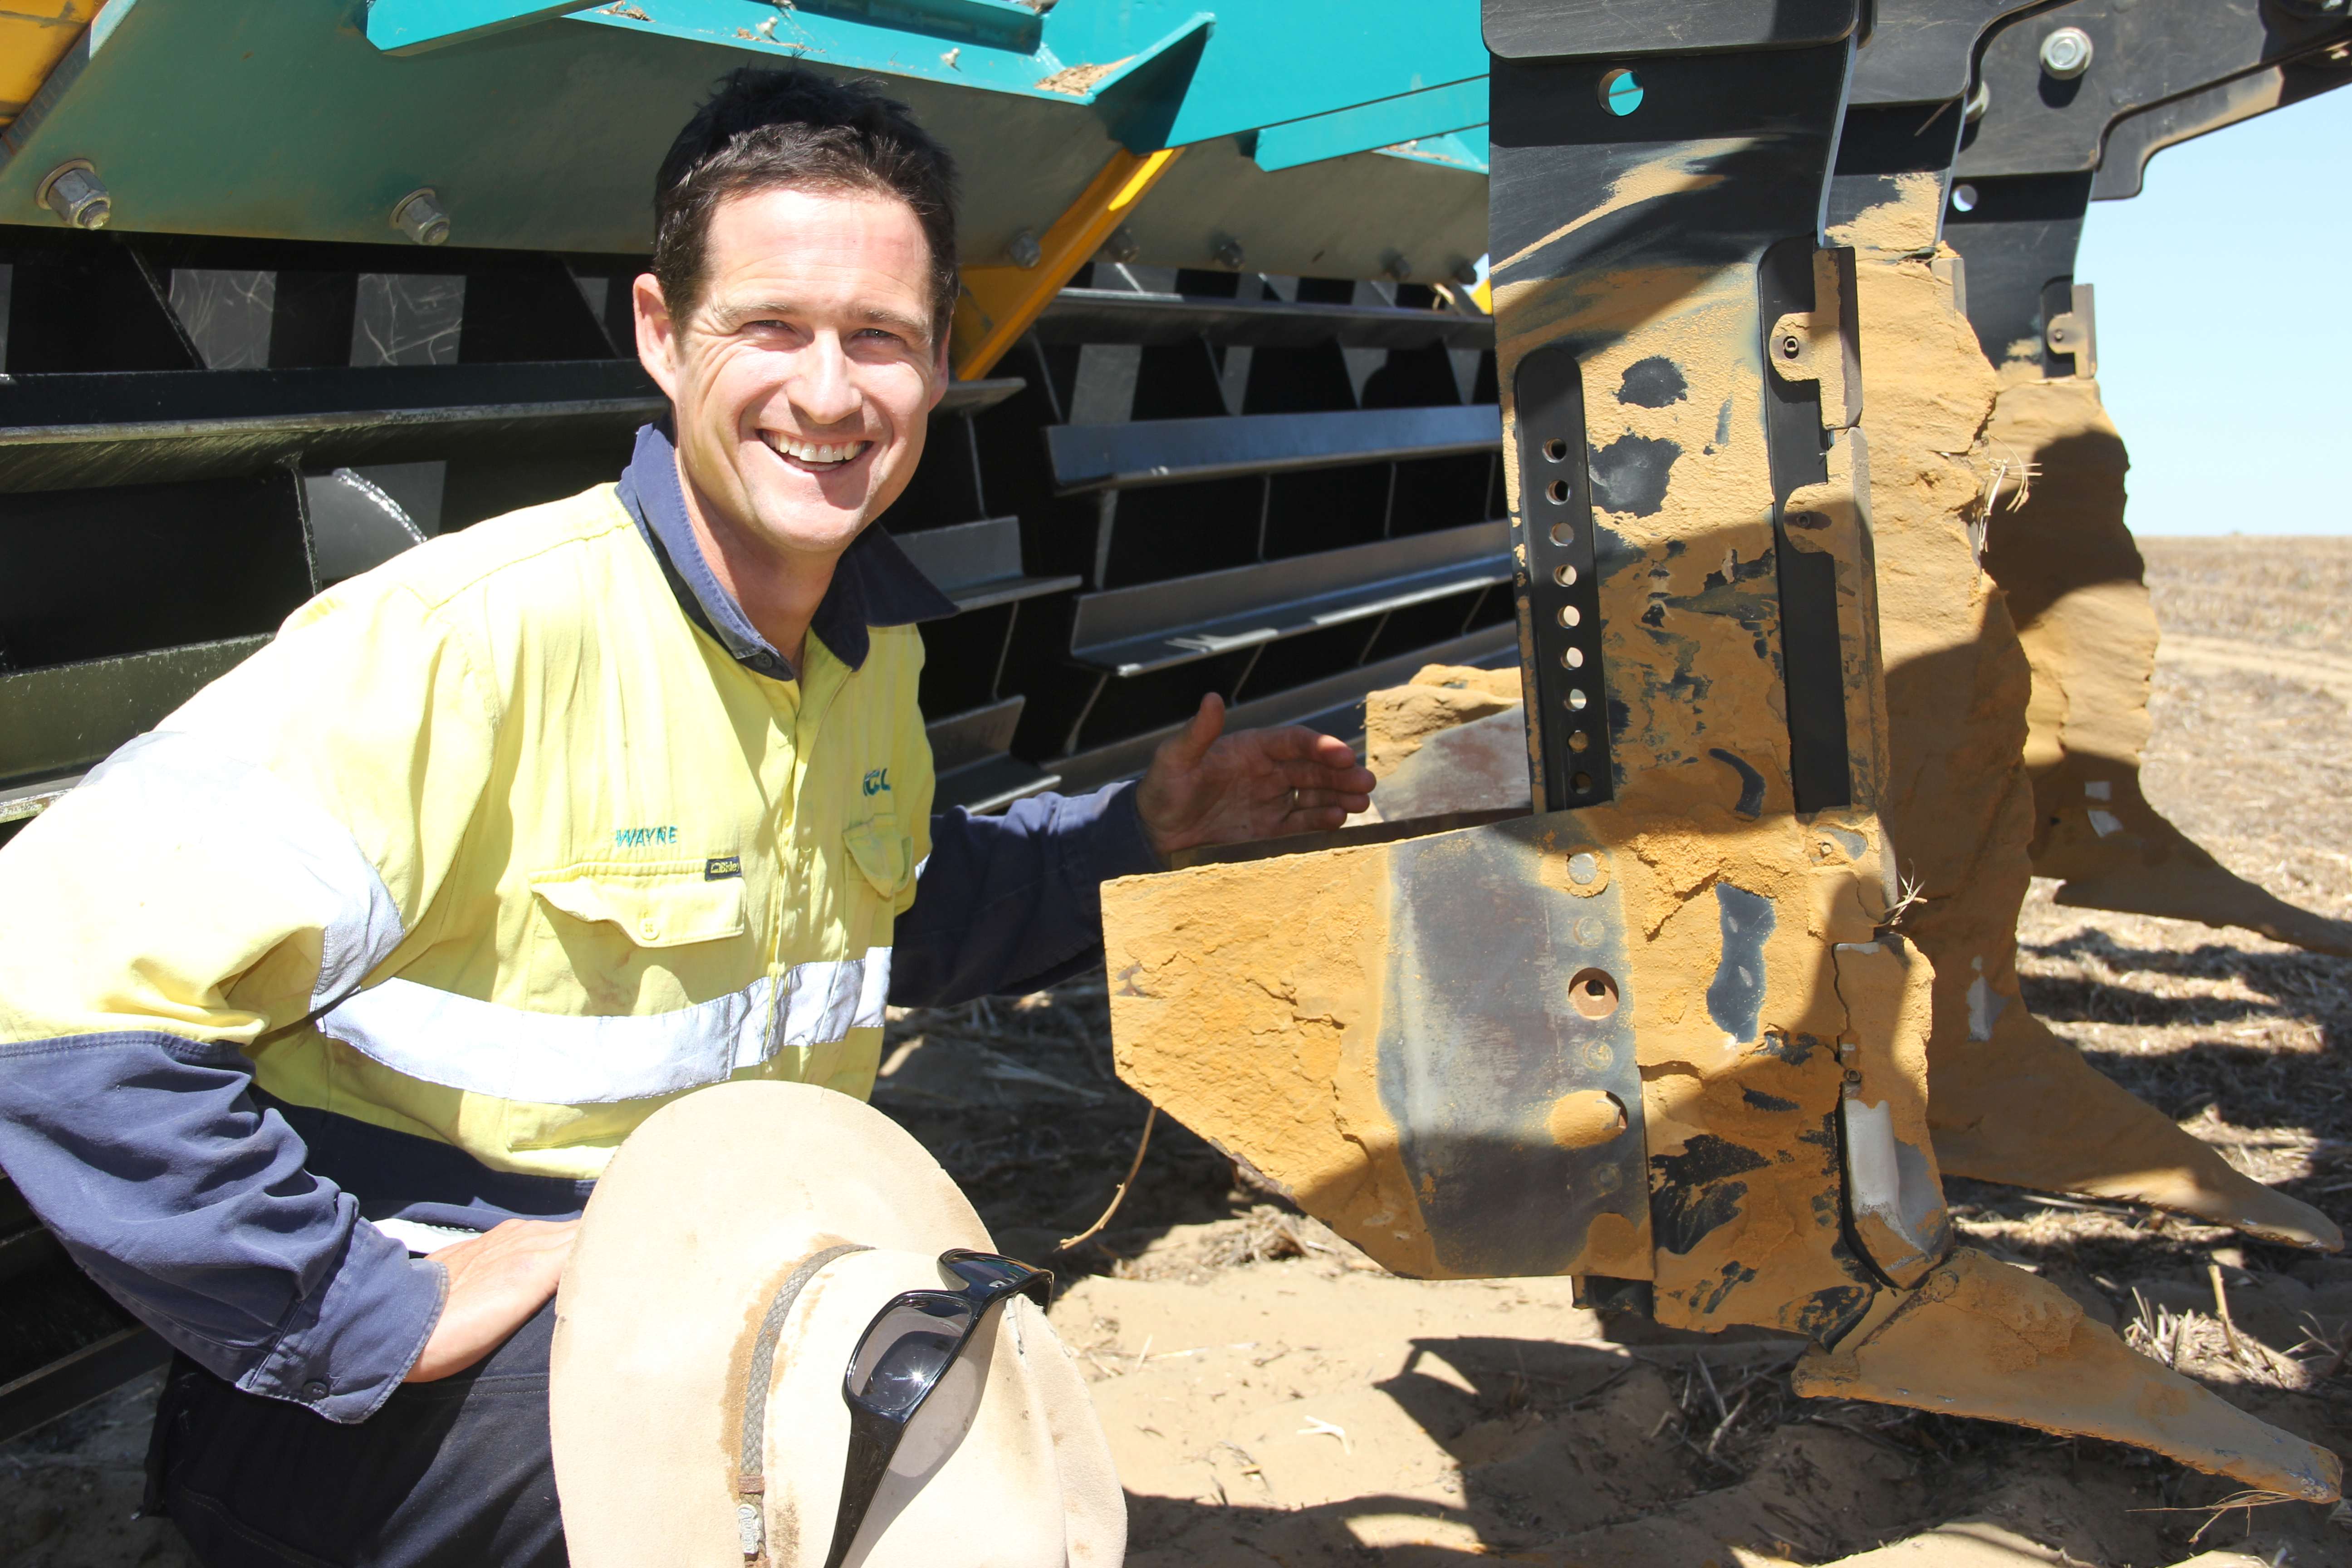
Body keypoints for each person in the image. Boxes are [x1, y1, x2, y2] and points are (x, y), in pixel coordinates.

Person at [0, 68, 1374, 1567]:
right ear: (662, 332)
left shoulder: (863, 649)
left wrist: (1137, 835)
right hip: (419, 1405)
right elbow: (39, 990)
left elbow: (891, 918)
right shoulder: (472, 644)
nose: (832, 393)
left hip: (715, 1294)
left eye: (881, 341)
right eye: (771, 329)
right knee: (855, 1476)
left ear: (939, 362)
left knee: (980, 1431)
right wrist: (369, 1307)